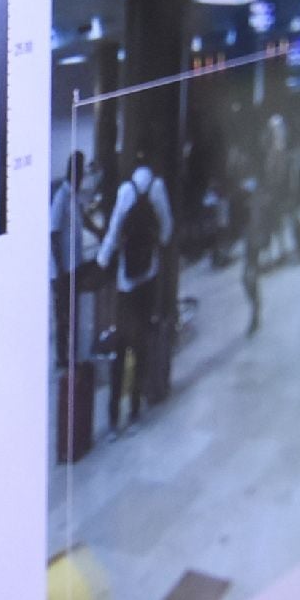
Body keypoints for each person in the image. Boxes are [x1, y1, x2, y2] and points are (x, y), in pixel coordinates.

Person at [98, 161, 173, 432]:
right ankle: (135, 411)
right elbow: (166, 230)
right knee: (141, 344)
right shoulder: (158, 187)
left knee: (120, 348)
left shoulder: (126, 191)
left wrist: (103, 260)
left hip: (125, 281)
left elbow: (115, 230)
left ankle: (113, 418)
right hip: (148, 277)